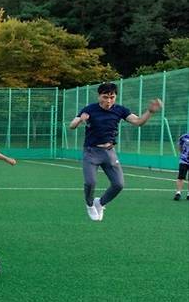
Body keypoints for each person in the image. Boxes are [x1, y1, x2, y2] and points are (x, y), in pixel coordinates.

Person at [69, 82, 163, 220]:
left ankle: (100, 203)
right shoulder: (89, 109)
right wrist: (80, 120)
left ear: (115, 97)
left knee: (119, 184)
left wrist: (150, 112)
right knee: (90, 182)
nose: (108, 100)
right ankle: (89, 205)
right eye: (105, 97)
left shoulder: (120, 110)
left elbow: (138, 122)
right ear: (99, 96)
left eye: (112, 97)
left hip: (109, 152)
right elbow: (72, 125)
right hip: (91, 152)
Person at [173, 132, 189, 200]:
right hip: (184, 160)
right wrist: (183, 154)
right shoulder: (184, 137)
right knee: (181, 177)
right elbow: (179, 146)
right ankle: (178, 193)